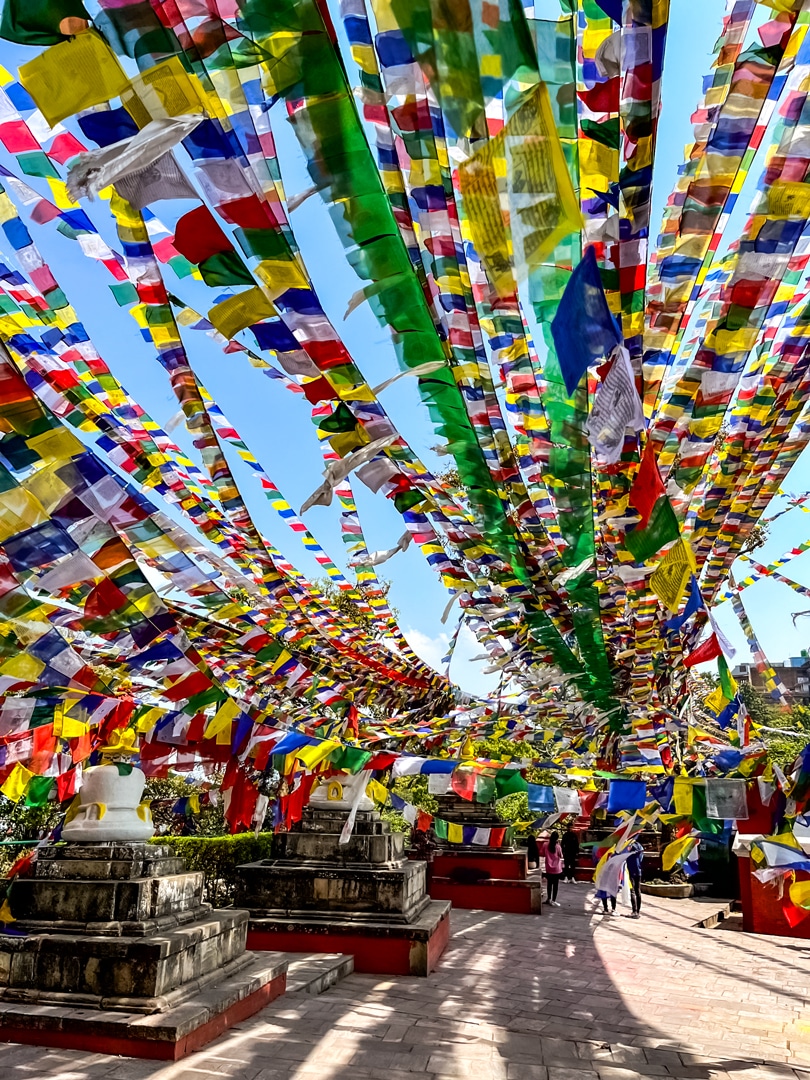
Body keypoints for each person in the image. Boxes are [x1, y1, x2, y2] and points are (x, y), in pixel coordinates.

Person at [540, 830, 563, 906]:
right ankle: (553, 900)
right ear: (557, 838)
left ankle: (548, 899)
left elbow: (542, 854)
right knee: (555, 885)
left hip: (548, 868)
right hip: (557, 869)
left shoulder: (545, 845)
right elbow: (561, 856)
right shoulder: (558, 846)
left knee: (549, 884)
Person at [625, 838, 645, 918]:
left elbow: (626, 850)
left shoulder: (630, 845)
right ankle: (638, 911)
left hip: (632, 869)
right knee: (638, 890)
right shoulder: (639, 845)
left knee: (632, 890)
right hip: (639, 870)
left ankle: (634, 911)